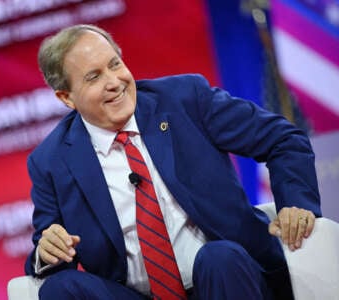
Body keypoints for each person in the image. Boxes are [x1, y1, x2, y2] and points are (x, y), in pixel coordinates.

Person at [24, 24, 321, 300]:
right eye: (94, 77)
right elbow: (50, 244)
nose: (114, 82)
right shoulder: (51, 161)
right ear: (66, 97)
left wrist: (295, 204)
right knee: (59, 289)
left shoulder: (184, 99)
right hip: (138, 294)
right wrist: (46, 250)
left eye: (115, 64)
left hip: (228, 278)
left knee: (218, 258)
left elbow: (282, 139)